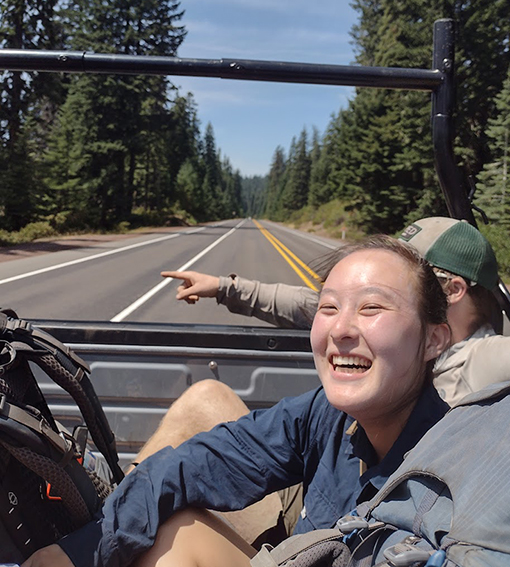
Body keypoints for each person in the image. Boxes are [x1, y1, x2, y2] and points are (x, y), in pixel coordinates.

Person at [22, 236, 451, 567]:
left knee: (174, 533)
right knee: (201, 408)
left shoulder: (446, 483)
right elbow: (205, 461)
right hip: (299, 538)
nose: (341, 328)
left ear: (434, 339)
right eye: (329, 307)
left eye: (372, 308)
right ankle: (110, 510)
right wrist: (88, 546)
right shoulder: (328, 413)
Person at [164, 216, 504, 405]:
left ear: (454, 289)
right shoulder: (390, 322)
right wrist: (225, 288)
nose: (343, 327)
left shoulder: (484, 361)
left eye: (415, 269)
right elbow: (306, 304)